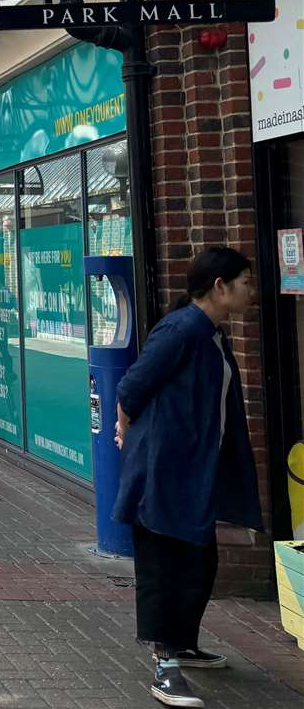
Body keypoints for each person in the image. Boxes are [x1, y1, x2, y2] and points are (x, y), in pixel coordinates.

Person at [113, 247, 263, 709]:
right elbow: (131, 386)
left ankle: (185, 646)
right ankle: (165, 663)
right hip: (164, 472)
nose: (251, 292)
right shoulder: (181, 329)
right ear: (219, 287)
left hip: (194, 469)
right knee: (166, 566)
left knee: (200, 564)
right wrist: (124, 430)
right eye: (245, 283)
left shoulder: (211, 334)